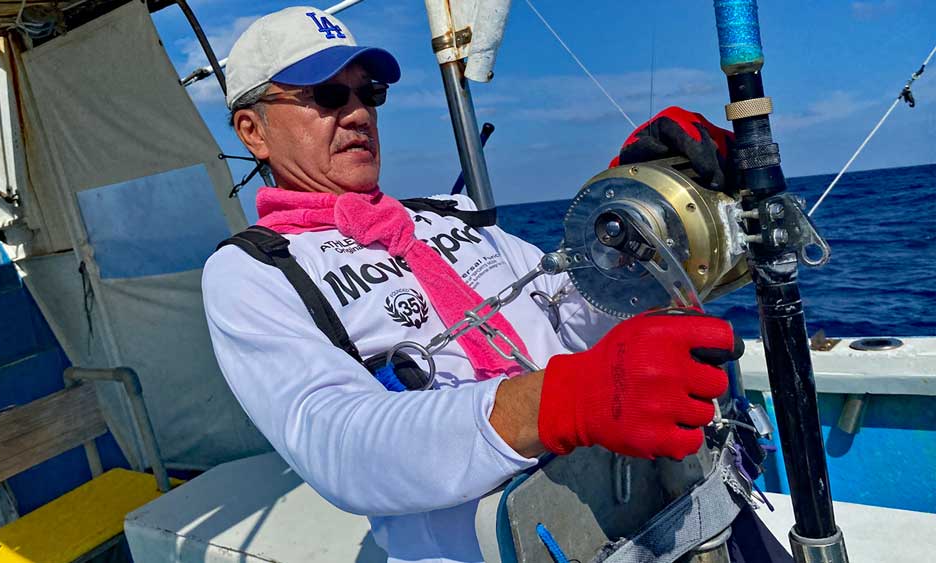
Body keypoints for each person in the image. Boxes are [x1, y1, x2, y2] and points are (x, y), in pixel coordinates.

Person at [202, 7, 742, 563]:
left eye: (370, 93)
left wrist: (637, 219)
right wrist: (554, 403)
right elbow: (338, 444)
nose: (359, 113)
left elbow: (577, 312)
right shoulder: (253, 272)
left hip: (636, 504)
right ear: (253, 130)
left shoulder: (449, 215)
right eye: (328, 96)